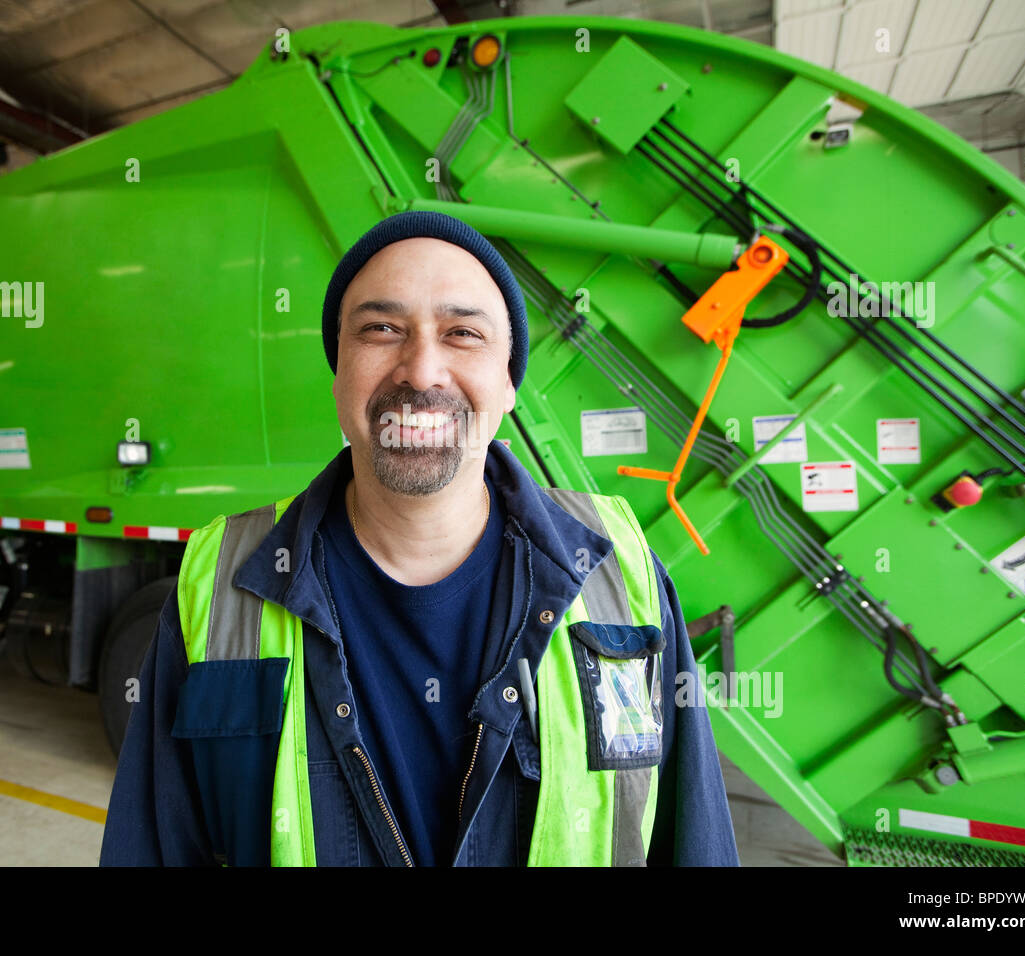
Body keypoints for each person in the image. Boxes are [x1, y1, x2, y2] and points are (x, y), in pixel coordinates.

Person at [100, 210, 739, 866]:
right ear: (339, 372)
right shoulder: (220, 579)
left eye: (462, 333)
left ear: (510, 382)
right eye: (381, 329)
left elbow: (692, 842)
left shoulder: (617, 575)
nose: (422, 370)